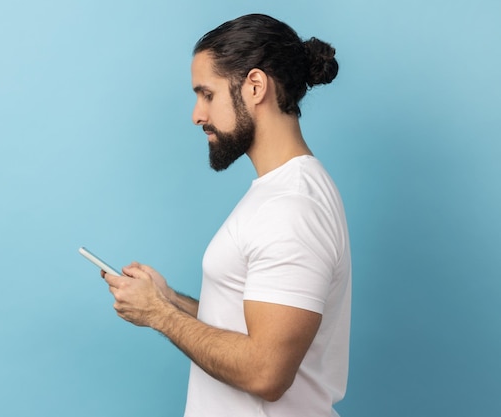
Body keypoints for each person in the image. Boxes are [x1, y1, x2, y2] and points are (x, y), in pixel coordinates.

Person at [102, 13, 351, 417]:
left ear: (255, 86)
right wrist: (167, 300)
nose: (197, 115)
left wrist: (159, 315)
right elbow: (248, 327)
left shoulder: (292, 207)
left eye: (208, 94)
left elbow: (266, 372)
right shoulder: (278, 193)